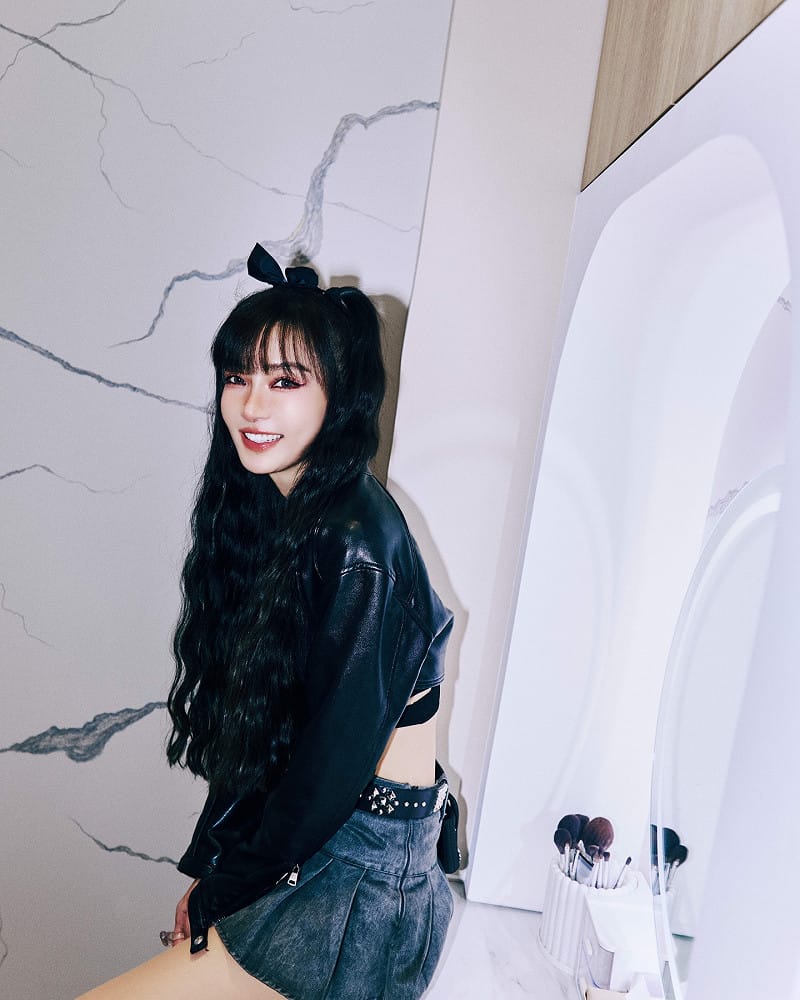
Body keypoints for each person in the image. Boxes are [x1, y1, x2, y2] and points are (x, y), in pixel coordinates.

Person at [78, 244, 455, 1000]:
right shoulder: (279, 511)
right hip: (309, 846)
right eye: (237, 377)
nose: (252, 406)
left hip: (358, 875)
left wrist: (225, 887)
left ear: (336, 395)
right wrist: (213, 867)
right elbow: (263, 732)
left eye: (285, 381)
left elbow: (324, 773)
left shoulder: (358, 543)